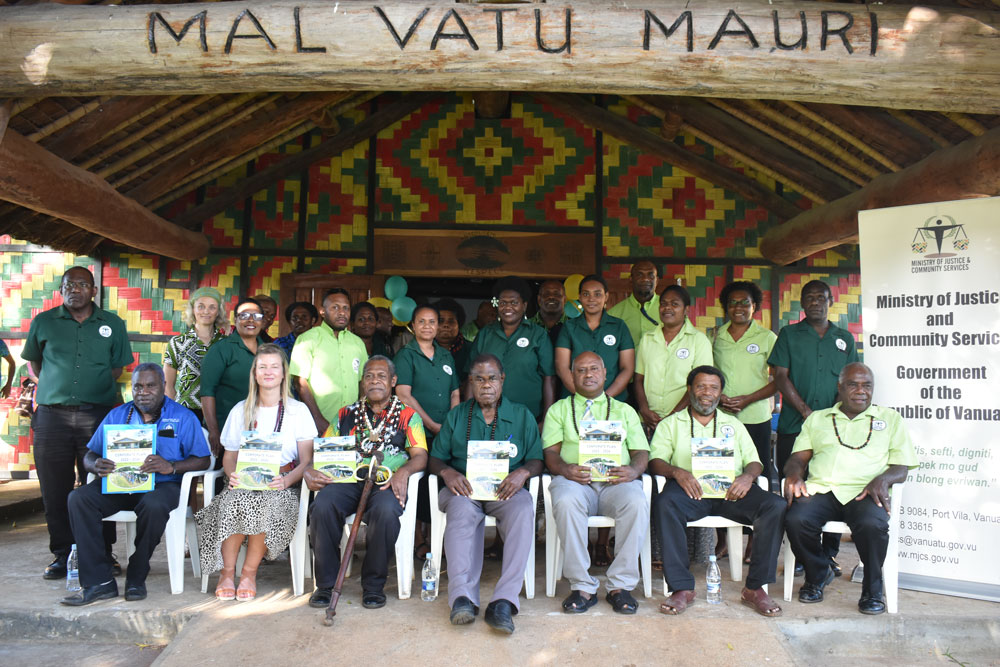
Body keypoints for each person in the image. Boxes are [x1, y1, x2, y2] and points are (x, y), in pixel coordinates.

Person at [62, 363, 211, 605]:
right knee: (78, 499)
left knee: (153, 505)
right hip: (121, 484)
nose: (143, 392)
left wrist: (171, 466)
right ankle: (99, 582)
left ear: (163, 385)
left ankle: (137, 572)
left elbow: (203, 459)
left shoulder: (183, 417)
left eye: (150, 386)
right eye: (138, 386)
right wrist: (95, 464)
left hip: (163, 486)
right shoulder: (118, 414)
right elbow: (90, 454)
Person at [22, 266, 132, 580]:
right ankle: (62, 555)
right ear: (61, 289)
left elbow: (117, 368)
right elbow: (34, 362)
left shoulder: (112, 323)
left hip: (97, 416)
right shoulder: (44, 322)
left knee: (100, 486)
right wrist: (57, 388)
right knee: (54, 489)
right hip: (51, 417)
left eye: (83, 284)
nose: (75, 289)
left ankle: (101, 553)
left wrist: (88, 390)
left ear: (94, 291)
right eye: (69, 284)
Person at [650, 366, 785, 617]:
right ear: (689, 390)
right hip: (691, 492)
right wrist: (678, 472)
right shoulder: (672, 423)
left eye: (713, 387)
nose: (706, 393)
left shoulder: (733, 424)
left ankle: (755, 588)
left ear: (720, 393)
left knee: (775, 506)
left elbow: (755, 461)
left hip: (731, 493)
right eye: (700, 386)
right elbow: (655, 461)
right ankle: (682, 588)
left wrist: (747, 477)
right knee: (664, 503)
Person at [784, 363, 917, 615]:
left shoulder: (890, 419)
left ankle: (872, 590)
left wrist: (883, 479)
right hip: (823, 489)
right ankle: (817, 573)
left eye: (867, 385)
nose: (861, 391)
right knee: (795, 519)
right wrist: (793, 475)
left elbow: (902, 467)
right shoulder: (818, 419)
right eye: (853, 385)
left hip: (866, 492)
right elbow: (798, 459)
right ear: (840, 387)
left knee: (873, 525)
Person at [429, 354, 543, 635]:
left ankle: (504, 601)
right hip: (463, 490)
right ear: (470, 382)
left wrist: (522, 473)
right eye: (479, 379)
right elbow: (435, 458)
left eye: (492, 378)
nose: (486, 384)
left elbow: (537, 459)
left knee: (523, 507)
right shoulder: (457, 415)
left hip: (504, 491)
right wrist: (448, 473)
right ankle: (462, 599)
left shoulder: (521, 415)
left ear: (502, 380)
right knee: (462, 512)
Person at [305, 356, 428, 610]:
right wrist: (311, 469)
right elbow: (325, 451)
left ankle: (373, 586)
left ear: (393, 381)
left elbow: (421, 455)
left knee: (386, 511)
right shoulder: (345, 414)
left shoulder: (408, 416)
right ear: (362, 382)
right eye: (369, 376)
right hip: (349, 479)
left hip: (386, 480)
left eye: (381, 376)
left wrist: (403, 472)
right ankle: (326, 585)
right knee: (323, 505)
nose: (375, 381)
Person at [197, 344, 317, 601]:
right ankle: (227, 573)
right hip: (244, 481)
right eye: (262, 367)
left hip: (282, 484)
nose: (269, 372)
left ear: (284, 373)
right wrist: (233, 475)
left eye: (274, 366)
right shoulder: (241, 409)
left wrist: (286, 481)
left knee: (265, 504)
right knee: (233, 502)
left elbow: (307, 461)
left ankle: (249, 573)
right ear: (254, 373)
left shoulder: (298, 411)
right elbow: (229, 457)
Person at [542, 352, 649, 614]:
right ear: (571, 375)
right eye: (580, 370)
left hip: (616, 484)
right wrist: (566, 469)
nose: (588, 375)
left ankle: (620, 586)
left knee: (636, 500)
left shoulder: (624, 410)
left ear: (604, 373)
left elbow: (641, 453)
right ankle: (582, 586)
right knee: (565, 500)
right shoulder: (559, 409)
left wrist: (633, 471)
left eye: (593, 369)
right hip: (575, 483)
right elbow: (550, 454)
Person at [768, 279, 859, 575]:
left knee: (834, 487)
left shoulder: (844, 338)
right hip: (796, 424)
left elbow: (850, 381)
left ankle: (828, 554)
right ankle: (800, 555)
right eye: (809, 297)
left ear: (830, 301)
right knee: (794, 488)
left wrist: (830, 415)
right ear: (802, 303)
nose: (815, 302)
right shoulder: (789, 335)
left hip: (836, 431)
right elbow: (780, 377)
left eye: (821, 297)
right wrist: (807, 412)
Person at [466, 276, 555, 422]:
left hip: (528, 417)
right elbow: (471, 376)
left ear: (524, 305)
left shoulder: (538, 335)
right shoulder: (486, 334)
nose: (508, 307)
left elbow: (549, 378)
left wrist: (547, 420)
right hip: (485, 417)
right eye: (503, 303)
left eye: (514, 302)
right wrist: (468, 415)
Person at [712, 281, 778, 479]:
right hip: (720, 415)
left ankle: (760, 508)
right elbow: (708, 373)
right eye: (732, 303)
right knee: (722, 468)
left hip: (756, 416)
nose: (738, 307)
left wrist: (748, 399)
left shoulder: (767, 337)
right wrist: (720, 397)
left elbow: (777, 380)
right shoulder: (715, 336)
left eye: (744, 303)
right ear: (726, 307)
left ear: (754, 306)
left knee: (759, 469)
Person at [635, 284, 713, 431]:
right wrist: (644, 409)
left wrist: (673, 415)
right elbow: (638, 379)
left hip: (683, 421)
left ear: (686, 310)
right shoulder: (647, 339)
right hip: (649, 420)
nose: (667, 308)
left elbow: (701, 385)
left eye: (674, 304)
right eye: (663, 304)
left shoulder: (699, 341)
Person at [290, 288, 368, 435]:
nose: (342, 312)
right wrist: (317, 418)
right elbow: (300, 383)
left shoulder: (357, 343)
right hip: (317, 424)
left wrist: (361, 414)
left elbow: (363, 382)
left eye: (346, 308)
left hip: (351, 424)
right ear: (322, 311)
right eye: (335, 307)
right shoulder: (307, 339)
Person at [200, 298, 265, 460]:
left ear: (263, 322)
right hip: (226, 430)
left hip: (261, 431)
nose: (251, 320)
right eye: (244, 316)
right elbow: (207, 392)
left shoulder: (267, 350)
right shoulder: (222, 349)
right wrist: (214, 432)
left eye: (256, 316)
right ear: (235, 320)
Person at [555, 274, 634, 401]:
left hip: (613, 401)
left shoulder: (619, 327)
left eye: (597, 294)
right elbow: (562, 367)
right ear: (579, 297)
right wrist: (584, 399)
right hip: (575, 401)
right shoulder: (569, 327)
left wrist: (604, 399)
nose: (591, 299)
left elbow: (627, 368)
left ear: (606, 297)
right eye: (586, 294)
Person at [163, 287, 228, 423]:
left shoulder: (225, 343)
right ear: (193, 309)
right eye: (201, 306)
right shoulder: (178, 343)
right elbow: (168, 385)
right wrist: (171, 414)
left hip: (219, 411)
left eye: (212, 307)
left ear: (218, 312)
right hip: (186, 412)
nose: (206, 311)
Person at [607, 260, 661, 351]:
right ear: (631, 279)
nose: (645, 279)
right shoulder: (614, 314)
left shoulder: (669, 309)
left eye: (651, 275)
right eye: (640, 275)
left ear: (657, 280)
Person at [434, 298, 470, 383]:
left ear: (459, 324)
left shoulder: (471, 350)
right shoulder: (421, 350)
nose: (446, 325)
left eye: (451, 322)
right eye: (440, 321)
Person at [530, 279, 567, 345]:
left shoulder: (575, 327)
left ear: (564, 299)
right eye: (546, 294)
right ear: (539, 300)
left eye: (556, 294)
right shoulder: (525, 327)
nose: (551, 296)